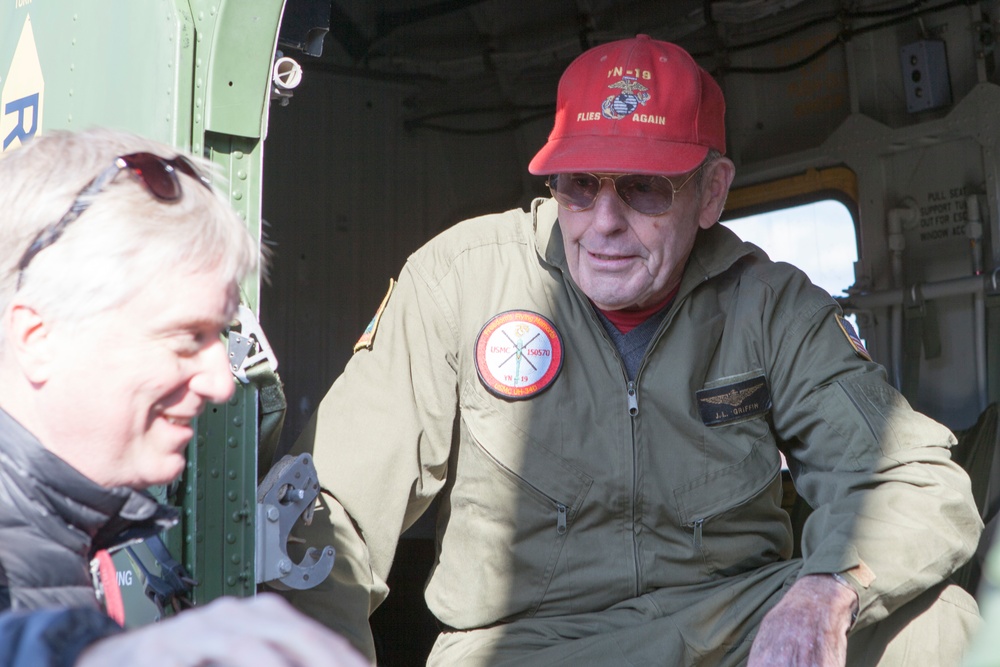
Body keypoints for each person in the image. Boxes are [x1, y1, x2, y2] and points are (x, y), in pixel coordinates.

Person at [284, 36, 983, 666]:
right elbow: (329, 506)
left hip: (724, 629)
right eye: (580, 185)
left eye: (645, 187)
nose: (605, 223)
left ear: (711, 193)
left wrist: (829, 590)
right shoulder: (460, 280)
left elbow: (916, 481)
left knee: (934, 623)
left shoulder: (768, 306)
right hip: (526, 646)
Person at [0, 128, 366, 667]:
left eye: (219, 336)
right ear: (38, 338)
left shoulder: (66, 537)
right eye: (186, 338)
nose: (221, 383)